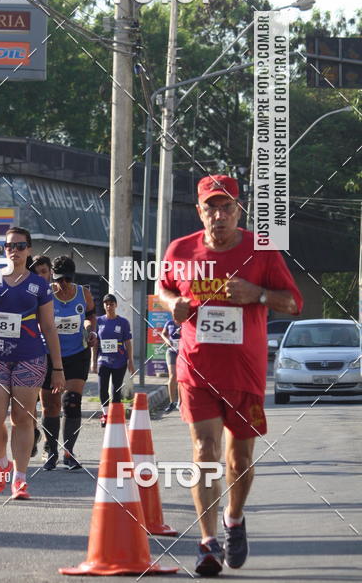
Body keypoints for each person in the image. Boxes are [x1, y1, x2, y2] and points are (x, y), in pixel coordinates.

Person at [157, 175, 303, 576]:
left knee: (238, 459)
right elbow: (164, 288)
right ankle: (206, 543)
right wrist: (174, 305)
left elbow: (293, 302)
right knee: (204, 452)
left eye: (226, 208)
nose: (218, 216)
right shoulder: (180, 249)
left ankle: (233, 519)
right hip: (196, 369)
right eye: (210, 208)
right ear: (199, 210)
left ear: (239, 210)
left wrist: (256, 294)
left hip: (245, 373)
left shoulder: (262, 250)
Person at [0, 227, 64, 500]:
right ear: (4, 249)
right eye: (10, 245)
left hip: (30, 357)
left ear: (29, 250)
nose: (15, 250)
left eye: (21, 246)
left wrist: (57, 368)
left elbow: (48, 327)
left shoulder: (39, 285)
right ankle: (2, 463)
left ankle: (20, 479)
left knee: (23, 418)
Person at [40, 255, 97, 471]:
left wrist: (91, 331)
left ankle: (69, 452)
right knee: (51, 405)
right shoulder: (46, 295)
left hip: (76, 354)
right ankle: (51, 450)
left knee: (72, 401)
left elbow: (91, 316)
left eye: (66, 280)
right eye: (58, 280)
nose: (62, 284)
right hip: (48, 355)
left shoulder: (83, 293)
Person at [92, 293, 134, 427]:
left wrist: (130, 361)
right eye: (106, 304)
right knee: (102, 388)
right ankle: (105, 414)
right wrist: (93, 362)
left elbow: (128, 342)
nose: (109, 306)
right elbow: (96, 343)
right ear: (104, 306)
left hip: (119, 361)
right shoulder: (99, 321)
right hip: (103, 360)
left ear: (116, 305)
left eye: (111, 303)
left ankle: (115, 416)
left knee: (116, 389)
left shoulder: (123, 322)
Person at [28, 254, 53, 458]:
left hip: (51, 354)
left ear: (50, 272)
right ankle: (32, 432)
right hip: (30, 353)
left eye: (44, 272)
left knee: (49, 403)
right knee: (29, 403)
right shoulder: (27, 293)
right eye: (37, 273)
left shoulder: (56, 294)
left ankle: (48, 442)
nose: (41, 276)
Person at [160, 317, 181, 413]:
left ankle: (180, 402)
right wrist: (167, 340)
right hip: (171, 351)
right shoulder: (169, 322)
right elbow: (163, 334)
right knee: (173, 376)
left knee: (181, 378)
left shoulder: (186, 322)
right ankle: (172, 402)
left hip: (183, 352)